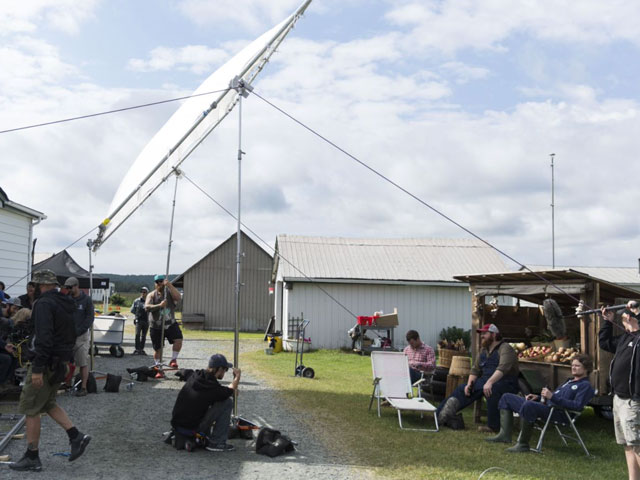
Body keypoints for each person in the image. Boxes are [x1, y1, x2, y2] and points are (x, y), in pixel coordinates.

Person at [10, 269, 90, 472]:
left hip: (44, 364)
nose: (31, 290)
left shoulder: (44, 303)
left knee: (31, 408)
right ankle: (76, 436)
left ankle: (32, 456)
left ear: (41, 286)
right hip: (59, 363)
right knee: (48, 403)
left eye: (34, 286)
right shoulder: (65, 303)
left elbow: (44, 338)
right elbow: (67, 334)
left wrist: (36, 368)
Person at [487, 353, 594, 452]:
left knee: (529, 406)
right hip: (547, 407)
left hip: (559, 414)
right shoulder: (569, 381)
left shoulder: (585, 386)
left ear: (586, 369)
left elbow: (577, 406)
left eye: (577, 366)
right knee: (507, 397)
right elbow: (554, 397)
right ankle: (504, 435)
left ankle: (523, 444)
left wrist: (552, 397)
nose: (573, 368)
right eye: (572, 365)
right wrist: (538, 397)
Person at [436, 323, 519, 432]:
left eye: (485, 333)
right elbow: (475, 369)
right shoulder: (483, 350)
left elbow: (503, 368)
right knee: (462, 388)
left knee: (492, 389)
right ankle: (439, 415)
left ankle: (493, 426)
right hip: (485, 381)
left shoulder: (505, 348)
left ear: (494, 335)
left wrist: (490, 382)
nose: (482, 336)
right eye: (481, 333)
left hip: (506, 381)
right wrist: (470, 384)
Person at [600, 300, 640, 480]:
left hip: (634, 400)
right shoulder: (625, 337)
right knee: (628, 444)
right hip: (619, 399)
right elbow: (605, 343)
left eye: (624, 313)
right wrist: (607, 322)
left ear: (631, 318)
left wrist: (637, 311)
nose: (621, 315)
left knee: (637, 444)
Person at [171, 353, 240, 452]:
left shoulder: (196, 375)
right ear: (219, 369)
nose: (225, 372)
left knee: (215, 401)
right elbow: (229, 391)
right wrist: (237, 378)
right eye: (225, 369)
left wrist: (231, 391)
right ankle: (217, 442)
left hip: (177, 425)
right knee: (227, 402)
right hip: (192, 428)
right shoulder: (211, 388)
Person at [145, 274, 182, 378]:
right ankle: (158, 369)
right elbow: (147, 307)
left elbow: (178, 297)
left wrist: (170, 285)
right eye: (158, 282)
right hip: (156, 326)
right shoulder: (152, 295)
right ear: (155, 284)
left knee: (178, 340)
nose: (160, 283)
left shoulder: (169, 293)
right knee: (158, 349)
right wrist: (159, 306)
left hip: (170, 323)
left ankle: (173, 359)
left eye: (161, 281)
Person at [65, 277, 94, 397]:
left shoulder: (86, 300)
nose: (68, 290)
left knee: (82, 362)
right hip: (67, 335)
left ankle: (83, 387)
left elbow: (90, 318)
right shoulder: (67, 299)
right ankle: (67, 385)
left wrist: (80, 330)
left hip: (81, 336)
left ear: (76, 286)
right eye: (67, 288)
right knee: (66, 361)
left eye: (70, 287)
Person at [131, 286, 149, 355]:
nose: (143, 293)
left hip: (146, 321)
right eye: (142, 292)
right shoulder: (136, 301)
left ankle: (141, 349)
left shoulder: (149, 301)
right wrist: (136, 316)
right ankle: (137, 349)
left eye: (144, 292)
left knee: (144, 336)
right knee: (137, 334)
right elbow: (132, 310)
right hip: (138, 320)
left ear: (147, 293)